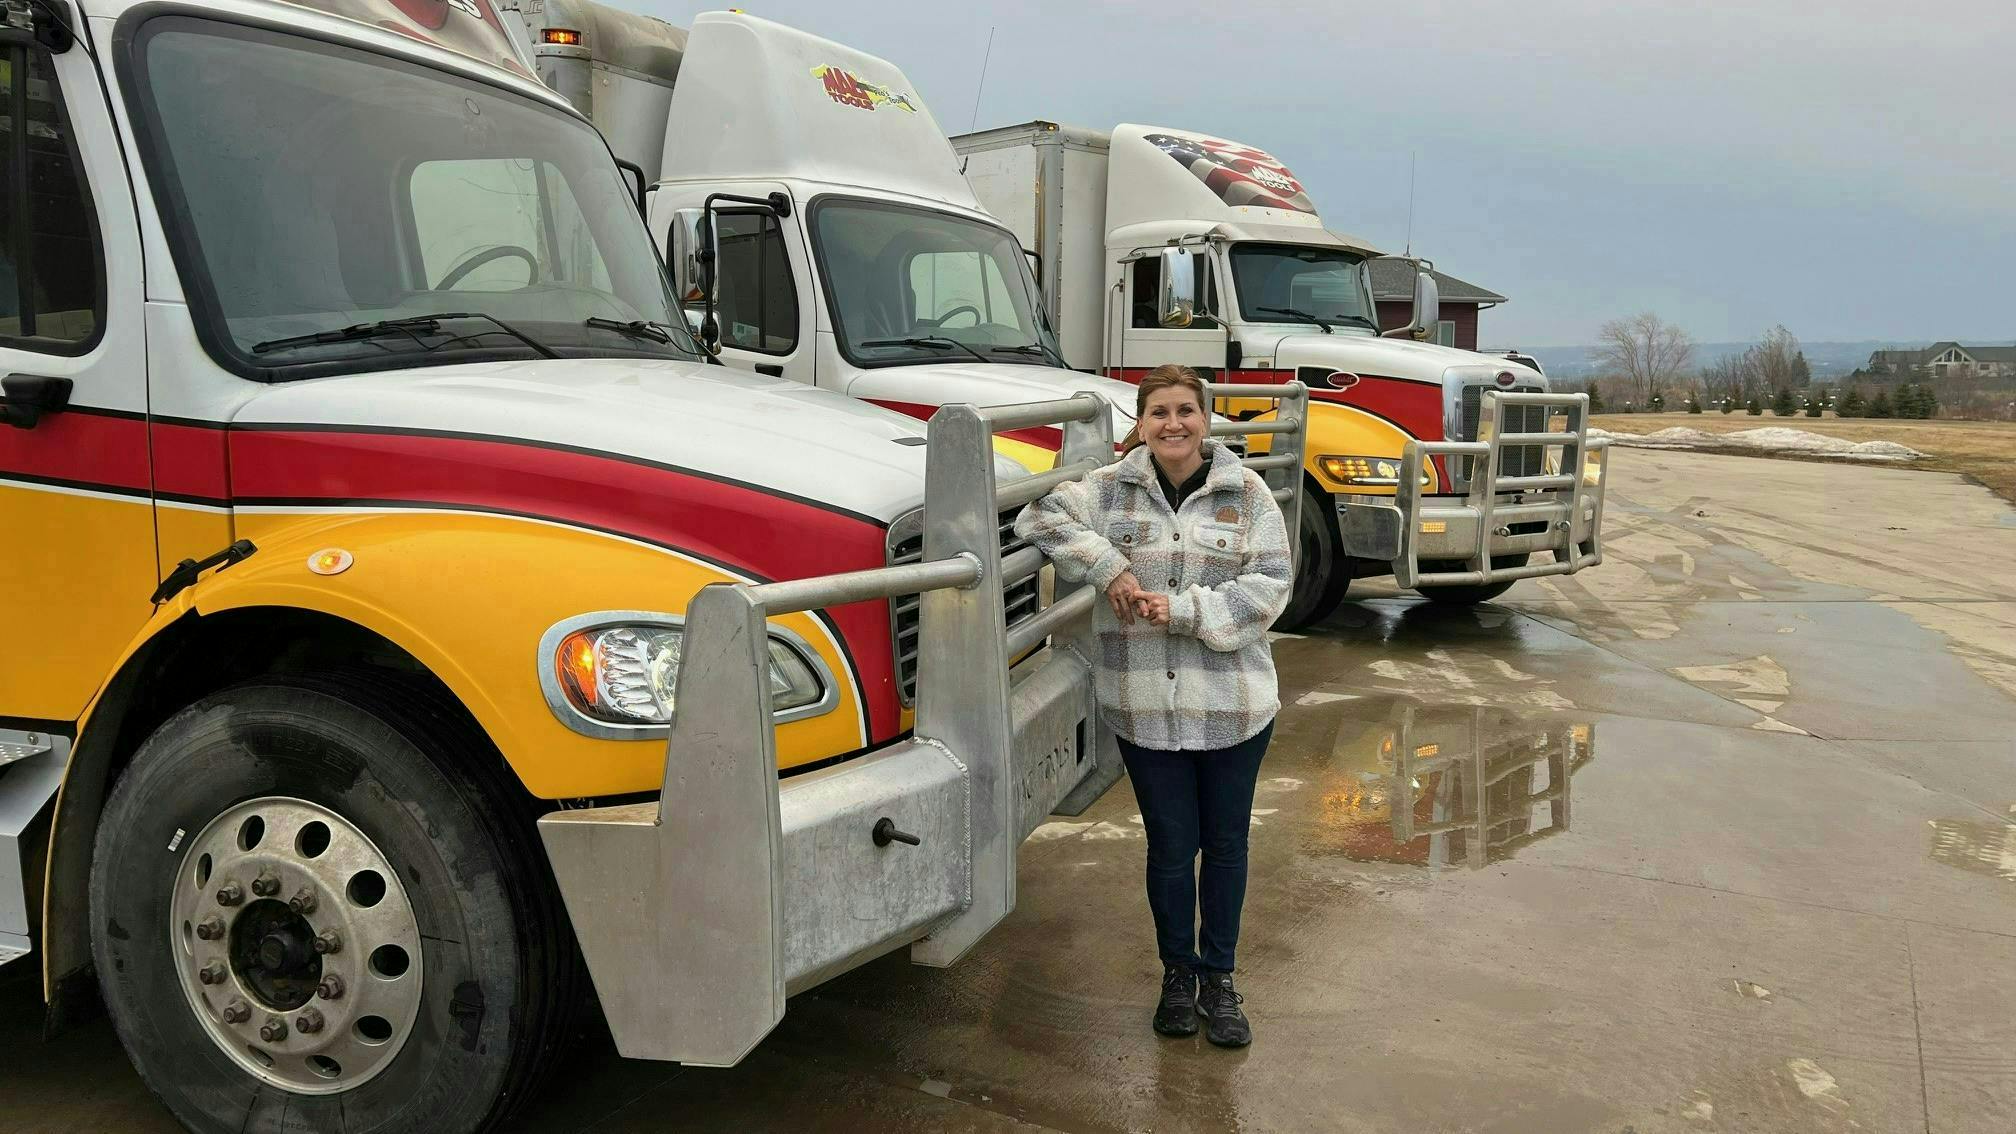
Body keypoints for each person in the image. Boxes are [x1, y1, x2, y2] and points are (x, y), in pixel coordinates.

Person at [1015, 363, 1292, 1047]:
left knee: (1225, 844)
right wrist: (1108, 565)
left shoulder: (1246, 494)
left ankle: (1220, 980)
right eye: (1159, 411)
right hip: (1144, 708)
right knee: (1172, 846)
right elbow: (1039, 516)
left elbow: (1271, 586)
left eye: (1186, 411)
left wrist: (1183, 609)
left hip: (1233, 708)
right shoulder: (1108, 491)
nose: (1173, 424)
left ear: (1207, 420)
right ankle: (1178, 973)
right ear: (1140, 422)